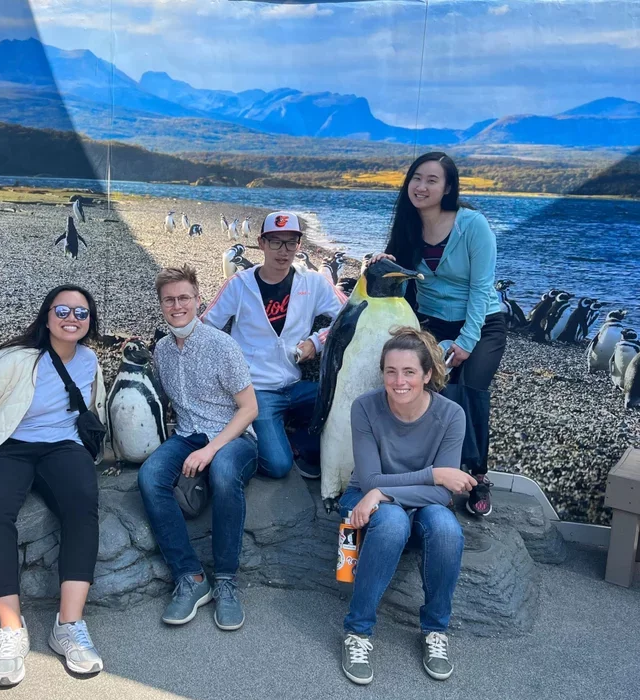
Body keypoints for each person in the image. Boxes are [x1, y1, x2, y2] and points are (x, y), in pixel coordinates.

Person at [0, 285, 107, 686]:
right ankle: (12, 630)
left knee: (82, 506)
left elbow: (93, 408)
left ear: (90, 322)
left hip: (62, 447)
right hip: (8, 445)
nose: (72, 318)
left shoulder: (89, 360)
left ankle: (68, 625)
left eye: (81, 313)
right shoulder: (13, 359)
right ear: (47, 314)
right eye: (63, 310)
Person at [338, 327, 476, 686]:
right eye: (391, 371)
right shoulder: (366, 407)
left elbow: (444, 496)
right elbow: (369, 482)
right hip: (366, 499)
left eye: (410, 372)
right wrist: (434, 475)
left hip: (411, 500)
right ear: (382, 372)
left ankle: (435, 630)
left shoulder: (452, 415)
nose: (399, 381)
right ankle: (358, 631)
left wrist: (386, 492)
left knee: (446, 528)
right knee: (393, 522)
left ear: (427, 374)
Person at [372, 152, 506, 516]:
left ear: (448, 188)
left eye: (433, 180)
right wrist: (381, 265)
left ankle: (477, 477)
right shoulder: (407, 226)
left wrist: (466, 341)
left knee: (470, 387)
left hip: (483, 322)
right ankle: (428, 473)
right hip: (432, 322)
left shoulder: (473, 225)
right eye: (417, 177)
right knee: (426, 387)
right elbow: (404, 282)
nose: (422, 186)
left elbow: (481, 289)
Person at [139, 265, 259, 630]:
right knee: (150, 477)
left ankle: (225, 580)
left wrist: (211, 451)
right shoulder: (161, 349)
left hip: (234, 436)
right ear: (161, 304)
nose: (177, 306)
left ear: (198, 300)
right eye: (169, 300)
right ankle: (191, 577)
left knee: (223, 473)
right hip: (188, 434)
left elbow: (249, 408)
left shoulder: (222, 346)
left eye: (184, 298)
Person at [202, 211, 343, 480]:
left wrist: (317, 341)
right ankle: (261, 439)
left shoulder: (312, 283)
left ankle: (299, 443)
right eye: (275, 241)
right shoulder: (239, 285)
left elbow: (349, 314)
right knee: (278, 465)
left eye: (291, 242)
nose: (284, 250)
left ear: (300, 245)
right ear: (262, 243)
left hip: (296, 385)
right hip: (258, 393)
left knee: (346, 405)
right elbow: (206, 326)